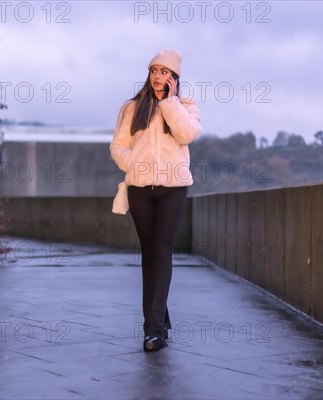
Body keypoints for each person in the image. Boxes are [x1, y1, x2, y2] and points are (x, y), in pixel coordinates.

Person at [109, 49, 201, 352]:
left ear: (174, 78)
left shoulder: (185, 106)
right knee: (149, 254)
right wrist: (133, 164)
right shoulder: (132, 107)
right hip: (140, 189)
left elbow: (187, 135)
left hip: (173, 189)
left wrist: (169, 103)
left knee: (161, 252)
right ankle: (160, 317)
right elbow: (118, 145)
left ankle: (153, 331)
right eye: (154, 71)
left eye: (165, 72)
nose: (158, 76)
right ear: (149, 75)